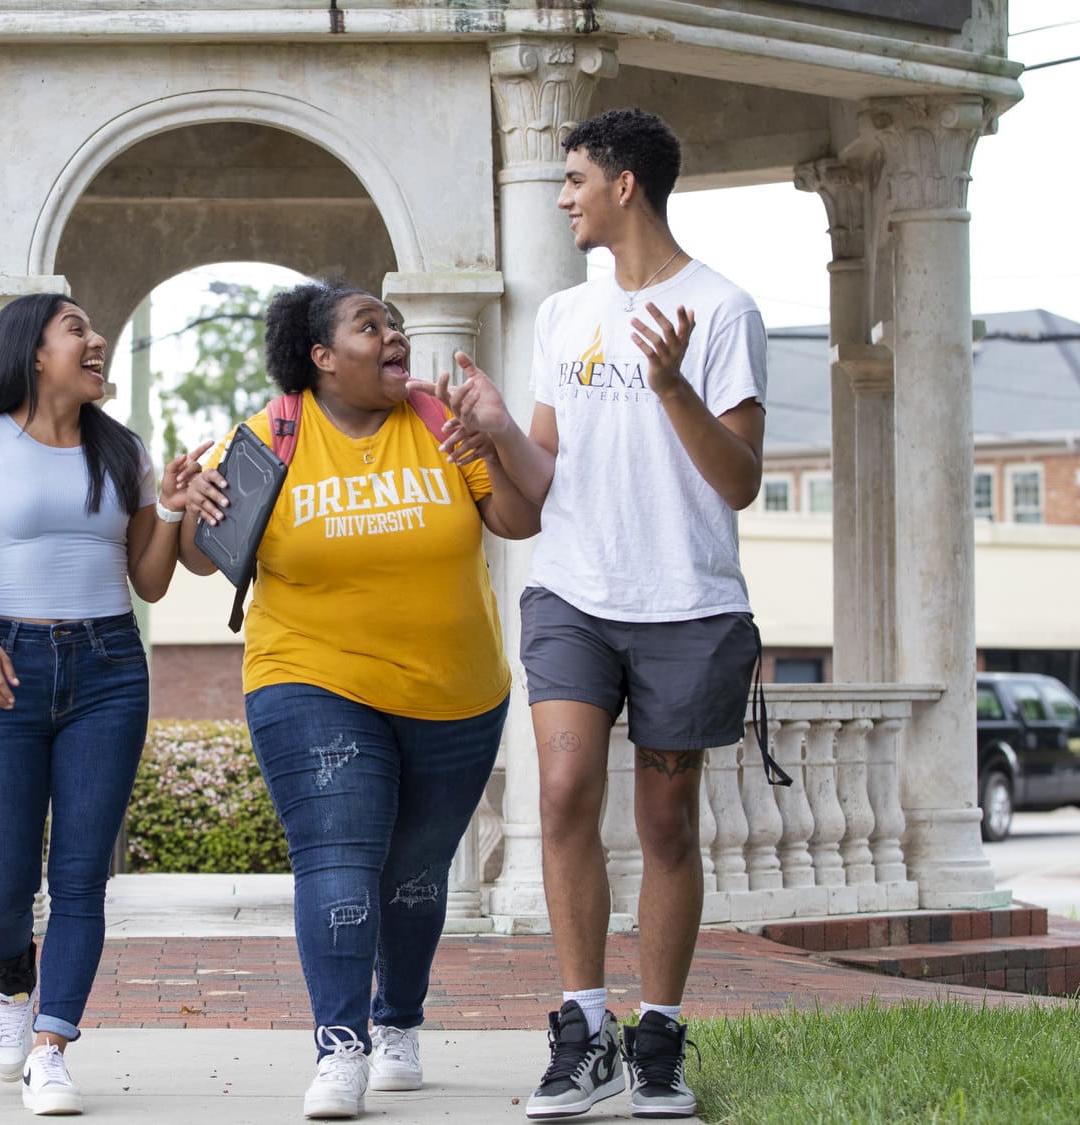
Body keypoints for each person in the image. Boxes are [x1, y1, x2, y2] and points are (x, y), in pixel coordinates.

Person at [432, 107, 768, 1120]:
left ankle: (656, 1034)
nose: (563, 197)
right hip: (572, 593)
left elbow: (739, 481)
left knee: (665, 820)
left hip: (685, 604)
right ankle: (584, 1031)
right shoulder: (562, 317)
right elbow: (535, 497)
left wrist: (670, 389)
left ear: (625, 184)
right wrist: (492, 434)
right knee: (566, 786)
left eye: (572, 178)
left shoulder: (722, 310)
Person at [176, 280, 543, 1120]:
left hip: (454, 689)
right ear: (322, 356)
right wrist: (188, 506)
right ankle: (340, 1042)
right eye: (368, 325)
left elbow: (519, 521)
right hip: (309, 675)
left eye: (395, 324)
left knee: (414, 873)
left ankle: (399, 1016)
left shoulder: (440, 420)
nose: (392, 335)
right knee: (338, 852)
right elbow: (206, 556)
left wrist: (489, 438)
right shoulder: (271, 435)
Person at [0, 292, 209, 1116]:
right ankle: (11, 980)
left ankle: (52, 1046)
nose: (96, 342)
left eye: (94, 330)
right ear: (33, 352)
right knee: (1, 884)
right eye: (76, 330)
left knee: (83, 874)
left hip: (109, 667)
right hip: (6, 665)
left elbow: (152, 579)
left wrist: (171, 507)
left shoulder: (122, 450)